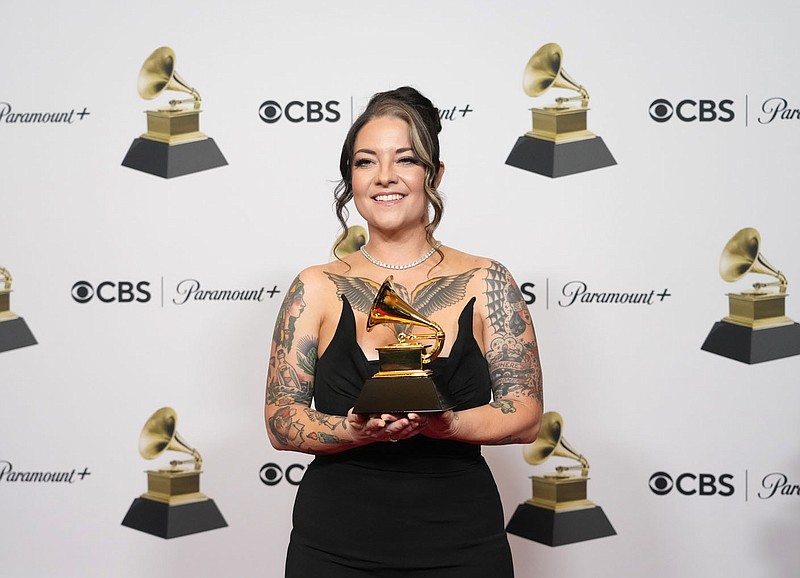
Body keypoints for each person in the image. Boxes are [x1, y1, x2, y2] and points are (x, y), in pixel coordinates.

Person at [264, 86, 543, 577]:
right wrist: (351, 429)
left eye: (405, 159)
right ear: (350, 179)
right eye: (366, 161)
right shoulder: (315, 287)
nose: (385, 177)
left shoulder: (487, 279)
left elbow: (526, 416)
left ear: (433, 174)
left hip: (462, 540)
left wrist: (449, 424)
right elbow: (280, 421)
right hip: (334, 545)